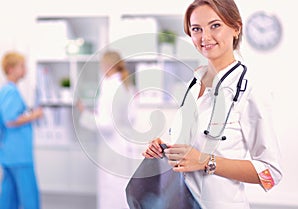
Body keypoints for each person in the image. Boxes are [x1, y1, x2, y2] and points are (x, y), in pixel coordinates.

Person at [142, 0, 282, 209]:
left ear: (236, 28)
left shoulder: (250, 90)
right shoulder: (194, 83)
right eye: (196, 29)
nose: (205, 37)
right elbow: (188, 146)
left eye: (215, 25)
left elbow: (271, 174)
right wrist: (162, 148)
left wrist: (207, 161)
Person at [78, 50, 136, 209]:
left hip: (112, 147)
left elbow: (106, 124)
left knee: (111, 189)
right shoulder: (127, 85)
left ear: (106, 66)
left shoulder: (109, 87)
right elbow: (132, 116)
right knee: (122, 187)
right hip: (125, 145)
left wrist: (85, 115)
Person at [0, 51, 43, 209]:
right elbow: (10, 120)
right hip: (19, 155)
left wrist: (28, 113)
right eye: (21, 66)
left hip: (9, 154)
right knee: (29, 197)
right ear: (11, 69)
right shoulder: (10, 91)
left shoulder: (7, 91)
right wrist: (35, 115)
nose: (25, 70)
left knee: (8, 198)